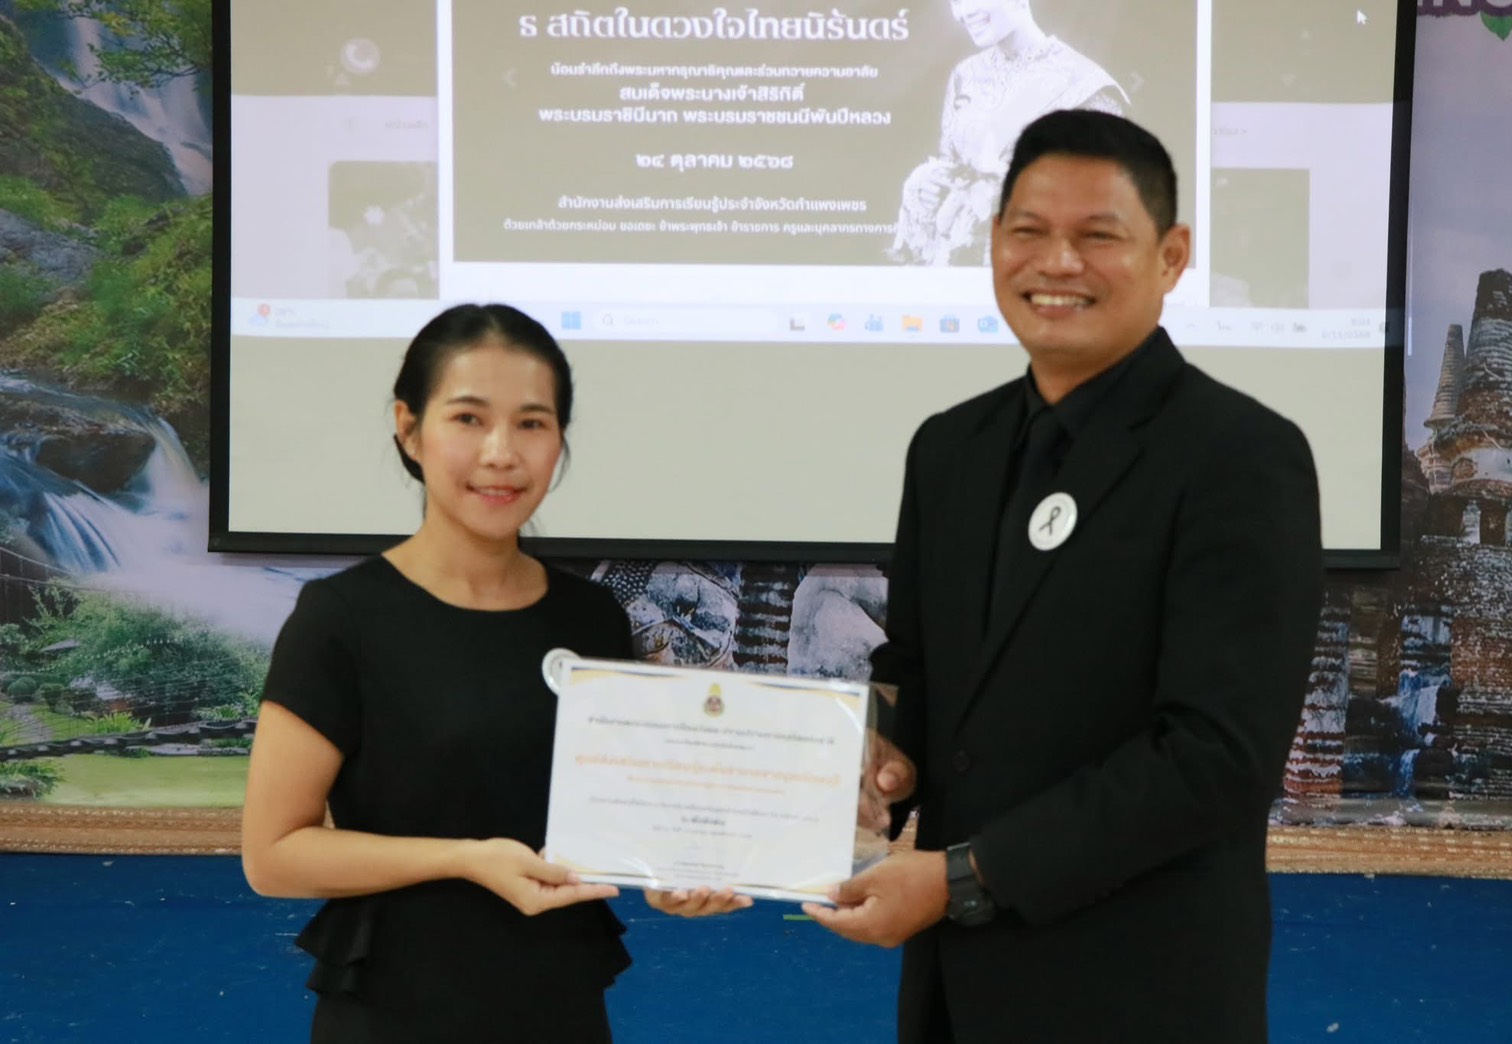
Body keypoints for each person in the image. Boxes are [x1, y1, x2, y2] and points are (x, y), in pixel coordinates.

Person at [809, 111, 1324, 1042]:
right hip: (958, 994)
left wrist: (965, 877)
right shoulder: (949, 449)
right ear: (993, 243)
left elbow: (1216, 755)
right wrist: (884, 761)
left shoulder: (1240, 456)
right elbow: (916, 666)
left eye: (1098, 236)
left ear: (1171, 256)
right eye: (1028, 231)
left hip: (1140, 990)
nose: (1057, 262)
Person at [241, 303, 747, 1043]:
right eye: (469, 419)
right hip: (397, 1004)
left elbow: (618, 815)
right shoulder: (341, 618)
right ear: (409, 428)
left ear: (560, 440)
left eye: (532, 423)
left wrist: (671, 875)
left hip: (558, 998)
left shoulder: (593, 618)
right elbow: (274, 856)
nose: (502, 452)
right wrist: (467, 860)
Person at [890, 0, 1128, 266]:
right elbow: (951, 165)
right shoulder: (966, 75)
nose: (964, 12)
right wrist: (930, 188)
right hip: (959, 267)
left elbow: (1102, 200)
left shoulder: (1085, 86)